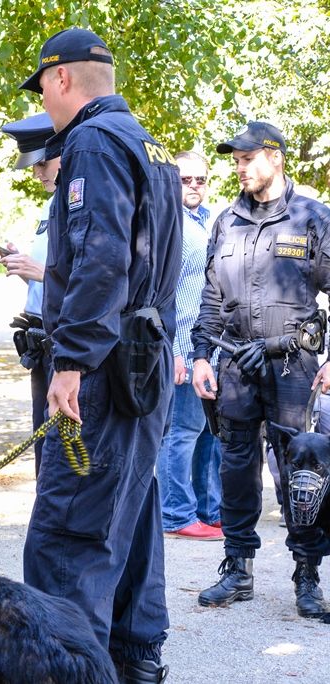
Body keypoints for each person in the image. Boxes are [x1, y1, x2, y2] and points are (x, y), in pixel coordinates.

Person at [18, 28, 182, 683]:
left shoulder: (91, 141)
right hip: (143, 368)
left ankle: (69, 673)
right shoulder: (152, 147)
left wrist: (70, 363)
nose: (47, 109)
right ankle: (135, 661)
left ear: (61, 80)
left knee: (68, 539)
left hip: (108, 376)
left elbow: (103, 259)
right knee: (133, 522)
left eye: (44, 91)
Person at [190, 121, 330, 618]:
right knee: (235, 468)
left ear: (276, 157)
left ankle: (307, 574)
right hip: (234, 364)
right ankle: (238, 567)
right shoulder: (226, 221)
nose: (240, 167)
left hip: (293, 363)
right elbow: (211, 297)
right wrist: (202, 355)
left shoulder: (312, 217)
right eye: (236, 160)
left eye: (248, 158)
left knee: (301, 470)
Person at [154, 151, 224, 540]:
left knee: (210, 433)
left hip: (212, 348)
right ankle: (176, 514)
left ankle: (209, 508)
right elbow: (166, 296)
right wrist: (176, 351)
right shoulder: (169, 224)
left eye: (200, 179)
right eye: (185, 180)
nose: (194, 186)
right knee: (181, 431)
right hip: (182, 345)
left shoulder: (211, 220)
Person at [0, 112, 59, 470]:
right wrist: (23, 266)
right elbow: (49, 279)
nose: (37, 173)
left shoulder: (83, 201)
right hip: (41, 338)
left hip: (68, 339)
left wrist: (42, 273)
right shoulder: (53, 204)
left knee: (62, 448)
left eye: (42, 163)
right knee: (44, 443)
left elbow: (99, 281)